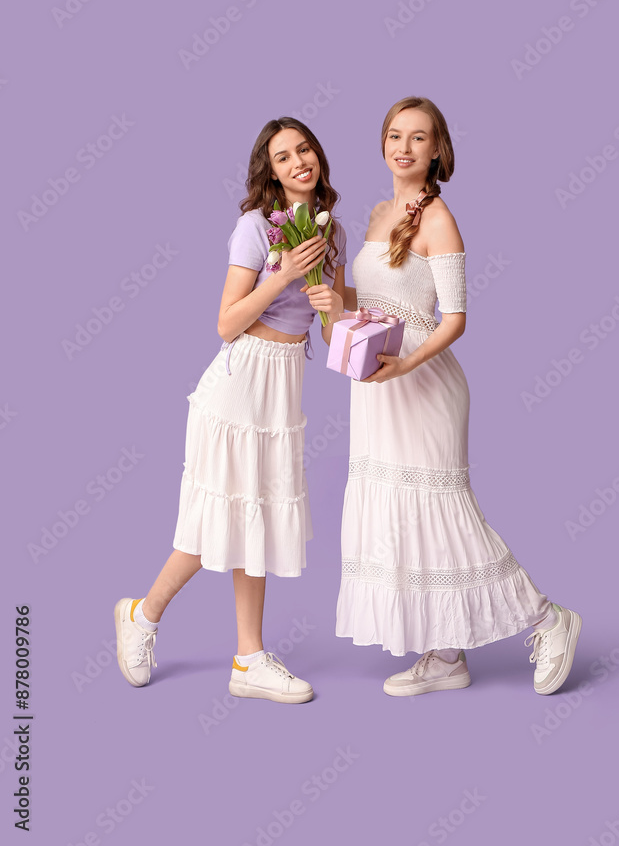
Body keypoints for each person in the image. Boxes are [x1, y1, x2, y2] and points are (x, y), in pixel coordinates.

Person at [333, 96, 581, 696]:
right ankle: (445, 656)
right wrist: (324, 288)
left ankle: (549, 620)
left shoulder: (439, 219)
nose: (405, 147)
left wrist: (403, 366)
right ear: (382, 143)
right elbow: (361, 302)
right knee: (399, 515)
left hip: (421, 380)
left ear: (437, 150)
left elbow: (455, 319)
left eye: (419, 138)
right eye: (395, 135)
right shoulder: (373, 215)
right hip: (376, 385)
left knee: (441, 513)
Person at [114, 117, 346, 703]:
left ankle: (248, 660)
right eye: (283, 156)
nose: (298, 162)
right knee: (214, 523)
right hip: (240, 382)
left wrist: (333, 302)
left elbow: (333, 327)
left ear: (317, 156)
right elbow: (226, 323)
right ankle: (142, 616)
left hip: (284, 385)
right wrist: (285, 273)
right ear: (270, 170)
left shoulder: (332, 232)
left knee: (258, 521)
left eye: (305, 149)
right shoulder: (254, 228)